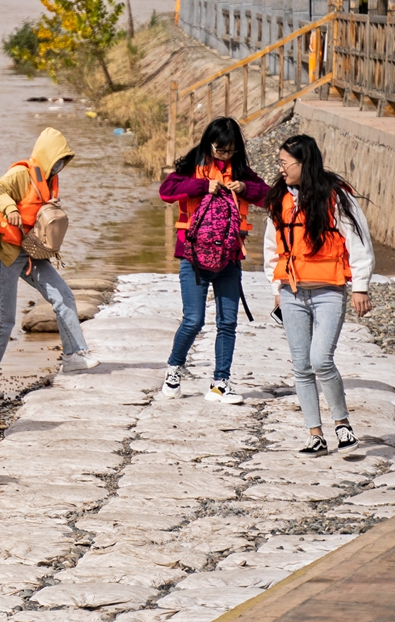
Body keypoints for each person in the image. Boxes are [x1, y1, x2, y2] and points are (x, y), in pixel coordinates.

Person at [263, 135, 375, 455]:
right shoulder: (279, 199)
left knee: (320, 359)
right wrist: (276, 290)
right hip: (292, 293)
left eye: (285, 163)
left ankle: (342, 424)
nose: (281, 169)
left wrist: (361, 287)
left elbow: (359, 241)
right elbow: (272, 249)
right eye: (279, 163)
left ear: (304, 162)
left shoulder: (336, 196)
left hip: (329, 291)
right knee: (301, 366)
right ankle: (315, 433)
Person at [0, 128, 98, 400]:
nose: (60, 166)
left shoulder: (51, 180)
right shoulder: (22, 174)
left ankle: (74, 354)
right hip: (6, 251)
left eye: (63, 161)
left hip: (31, 251)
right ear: (46, 156)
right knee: (3, 317)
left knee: (63, 295)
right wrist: (11, 209)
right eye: (57, 160)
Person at [158, 117, 271, 403]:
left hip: (230, 257)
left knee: (227, 323)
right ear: (209, 143)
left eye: (230, 151)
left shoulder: (242, 171)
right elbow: (165, 192)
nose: (225, 156)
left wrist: (246, 189)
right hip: (193, 257)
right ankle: (174, 369)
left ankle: (220, 382)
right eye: (220, 150)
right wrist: (201, 186)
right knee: (193, 320)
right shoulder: (189, 168)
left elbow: (270, 196)